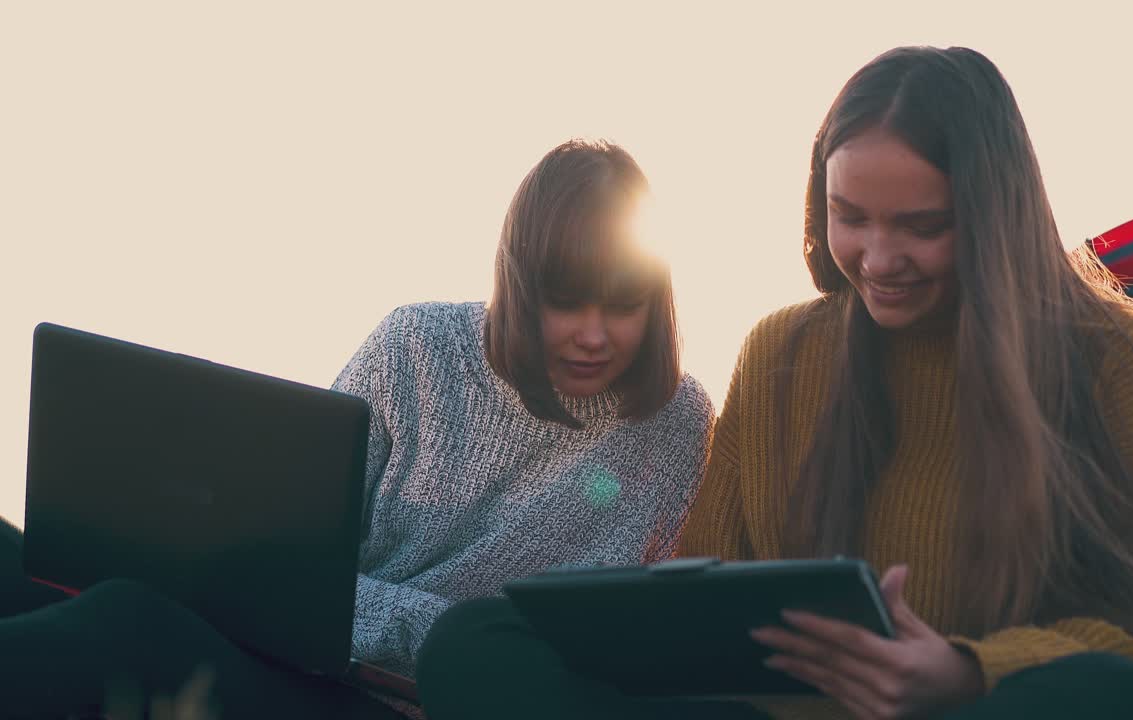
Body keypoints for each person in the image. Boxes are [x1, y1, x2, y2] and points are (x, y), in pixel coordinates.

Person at [415, 46, 1133, 720]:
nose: (878, 261)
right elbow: (706, 573)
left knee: (1112, 697)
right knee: (475, 642)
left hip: (975, 711)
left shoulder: (1122, 356)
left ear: (995, 215)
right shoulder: (782, 350)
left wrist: (962, 671)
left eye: (920, 226)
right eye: (851, 216)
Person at [0, 138, 715, 719]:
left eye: (623, 304)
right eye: (567, 303)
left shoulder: (676, 422)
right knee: (32, 566)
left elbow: (613, 645)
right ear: (523, 286)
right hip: (304, 659)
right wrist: (414, 626)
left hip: (415, 707)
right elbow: (289, 568)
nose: (594, 335)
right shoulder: (415, 348)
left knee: (130, 621)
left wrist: (441, 644)